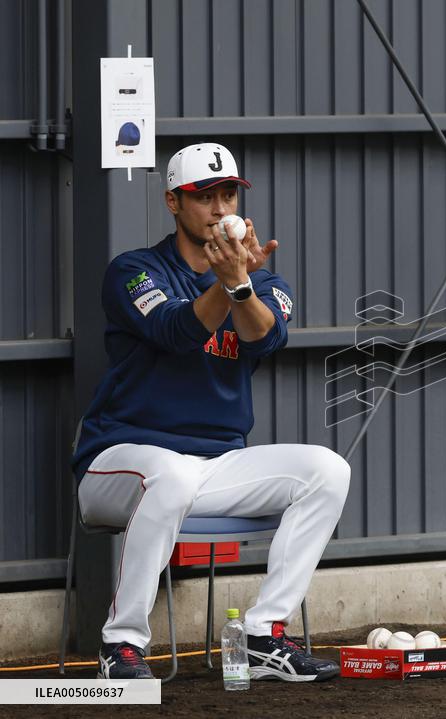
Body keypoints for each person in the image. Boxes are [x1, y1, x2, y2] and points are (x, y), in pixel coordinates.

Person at [73, 142, 350, 682]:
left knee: (327, 470)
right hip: (118, 460)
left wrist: (240, 285)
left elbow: (262, 340)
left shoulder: (260, 282)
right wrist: (230, 285)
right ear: (174, 203)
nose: (221, 209)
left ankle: (265, 635)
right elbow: (175, 331)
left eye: (228, 195)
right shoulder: (133, 271)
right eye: (205, 197)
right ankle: (121, 645)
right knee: (169, 475)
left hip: (211, 465)